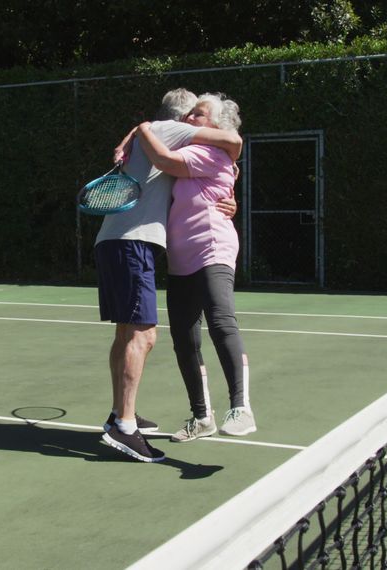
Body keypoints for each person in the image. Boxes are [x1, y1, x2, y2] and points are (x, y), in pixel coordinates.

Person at [97, 89, 243, 463]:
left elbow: (207, 176)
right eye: (194, 112)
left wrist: (228, 190)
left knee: (125, 333)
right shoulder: (170, 130)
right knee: (143, 336)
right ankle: (124, 428)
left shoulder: (156, 132)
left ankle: (119, 413)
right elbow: (232, 140)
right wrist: (142, 126)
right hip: (134, 242)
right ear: (181, 119)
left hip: (113, 240)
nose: (197, 119)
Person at [134, 93, 256, 443]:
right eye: (189, 115)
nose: (189, 120)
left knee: (221, 321)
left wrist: (141, 128)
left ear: (216, 126)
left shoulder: (207, 151)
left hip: (211, 248)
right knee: (185, 340)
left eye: (199, 116)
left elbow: (163, 158)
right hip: (181, 258)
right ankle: (202, 417)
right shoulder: (209, 153)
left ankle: (241, 408)